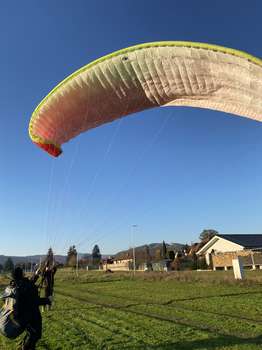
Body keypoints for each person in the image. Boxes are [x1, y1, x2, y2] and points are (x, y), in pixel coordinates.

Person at [10, 267, 50, 350]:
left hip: (19, 317)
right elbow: (34, 301)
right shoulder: (25, 285)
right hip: (30, 317)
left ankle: (25, 346)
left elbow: (28, 285)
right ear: (22, 274)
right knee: (35, 335)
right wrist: (47, 300)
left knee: (31, 334)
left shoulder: (14, 284)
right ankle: (25, 347)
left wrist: (36, 275)